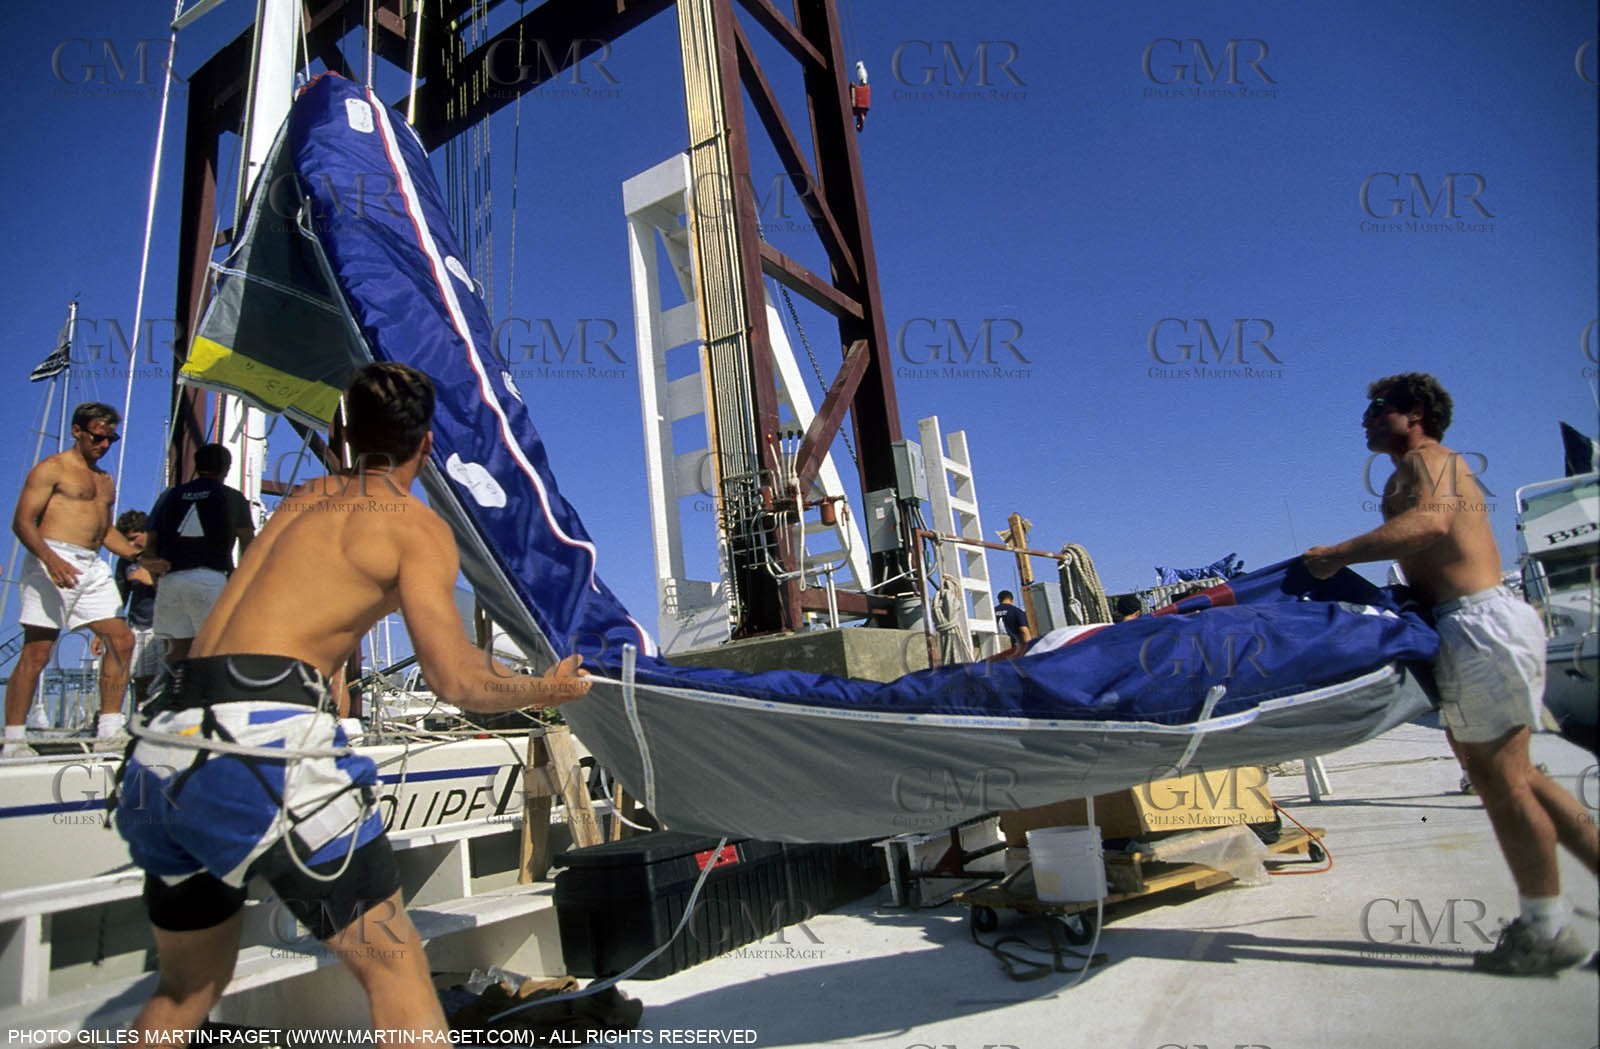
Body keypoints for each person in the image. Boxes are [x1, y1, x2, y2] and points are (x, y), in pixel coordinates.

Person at [115, 362, 591, 1037]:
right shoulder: (413, 527)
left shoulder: (305, 498)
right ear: (426, 444)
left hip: (163, 749)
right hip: (262, 748)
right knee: (397, 973)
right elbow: (457, 680)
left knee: (186, 989)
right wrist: (551, 687)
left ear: (346, 434)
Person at [1303, 372, 1598, 975]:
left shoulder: (1429, 460)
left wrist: (1336, 555)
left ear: (1414, 412)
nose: (1365, 418)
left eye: (1377, 407)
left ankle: (1547, 932)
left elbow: (1432, 523)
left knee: (1502, 782)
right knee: (1516, 775)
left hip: (1477, 623)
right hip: (1471, 624)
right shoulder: (1407, 471)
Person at [4, 402, 140, 755]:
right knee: (37, 651)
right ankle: (14, 740)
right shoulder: (51, 469)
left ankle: (109, 730)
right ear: (77, 431)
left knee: (121, 640)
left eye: (111, 439)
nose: (104, 445)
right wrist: (50, 560)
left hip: (91, 564)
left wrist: (138, 557)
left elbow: (105, 531)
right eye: (98, 437)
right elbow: (22, 522)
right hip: (50, 556)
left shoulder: (104, 480)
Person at [144, 442, 256, 666]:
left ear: (196, 465)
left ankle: (177, 687)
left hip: (171, 579)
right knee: (216, 648)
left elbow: (151, 544)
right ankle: (210, 688)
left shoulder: (169, 496)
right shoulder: (233, 497)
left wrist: (156, 579)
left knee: (175, 652)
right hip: (211, 577)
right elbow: (249, 545)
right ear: (226, 468)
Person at [112, 509, 161, 709]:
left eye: (134, 538)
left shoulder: (166, 552)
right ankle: (140, 718)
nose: (131, 545)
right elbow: (119, 596)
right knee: (140, 680)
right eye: (127, 541)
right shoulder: (126, 560)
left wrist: (153, 581)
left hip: (167, 625)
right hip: (139, 625)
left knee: (166, 679)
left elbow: (182, 591)